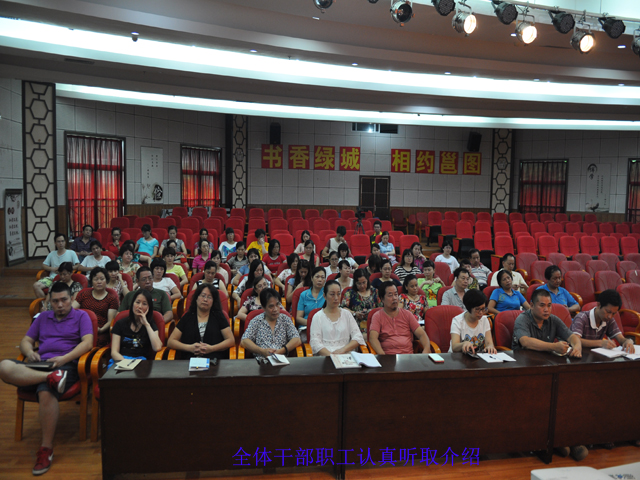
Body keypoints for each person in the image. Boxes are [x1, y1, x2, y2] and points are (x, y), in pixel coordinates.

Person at [0, 282, 93, 476]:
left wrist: (64, 359)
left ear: (72, 299)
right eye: (55, 301)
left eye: (64, 300)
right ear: (50, 301)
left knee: (45, 391)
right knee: (4, 366)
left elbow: (87, 343)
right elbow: (26, 341)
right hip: (41, 365)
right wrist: (29, 353)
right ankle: (50, 377)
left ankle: (46, 448)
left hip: (66, 365)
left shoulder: (81, 316)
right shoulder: (43, 317)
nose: (60, 305)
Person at [512, 288, 585, 461]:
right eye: (542, 305)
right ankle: (546, 442)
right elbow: (525, 342)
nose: (546, 309)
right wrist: (553, 346)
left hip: (549, 369)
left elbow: (572, 337)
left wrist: (577, 347)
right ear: (531, 305)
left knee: (567, 396)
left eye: (549, 305)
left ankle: (567, 439)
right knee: (543, 401)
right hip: (525, 372)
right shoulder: (522, 319)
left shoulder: (553, 320)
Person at [168, 284, 234, 360]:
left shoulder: (219, 316)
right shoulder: (187, 316)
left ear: (213, 301)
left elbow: (231, 340)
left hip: (214, 360)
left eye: (209, 297)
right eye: (203, 296)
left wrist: (212, 348)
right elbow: (171, 341)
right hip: (190, 360)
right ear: (196, 298)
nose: (205, 299)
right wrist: (189, 348)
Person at [369, 281, 431, 355]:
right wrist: (383, 356)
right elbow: (373, 338)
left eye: (396, 294)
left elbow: (422, 335)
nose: (394, 298)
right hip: (388, 357)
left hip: (408, 357)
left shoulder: (407, 314)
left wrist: (426, 351)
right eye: (390, 295)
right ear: (382, 299)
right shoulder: (377, 316)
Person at [240, 288, 301, 360]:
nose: (275, 309)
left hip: (282, 360)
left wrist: (280, 351)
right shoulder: (256, 321)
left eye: (277, 304)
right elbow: (244, 341)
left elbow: (297, 339)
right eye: (271, 306)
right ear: (263, 307)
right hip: (262, 361)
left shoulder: (285, 319)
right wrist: (262, 351)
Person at [109, 289, 162, 368]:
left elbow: (157, 347)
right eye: (137, 302)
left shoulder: (150, 325)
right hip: (121, 360)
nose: (140, 306)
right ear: (132, 304)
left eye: (144, 304)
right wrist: (127, 364)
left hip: (140, 362)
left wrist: (146, 324)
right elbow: (114, 352)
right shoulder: (120, 323)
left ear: (149, 308)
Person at [309, 280, 365, 355]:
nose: (336, 298)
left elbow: (358, 337)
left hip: (346, 355)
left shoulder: (347, 314)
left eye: (338, 294)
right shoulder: (318, 317)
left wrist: (344, 349)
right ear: (324, 296)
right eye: (332, 294)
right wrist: (332, 356)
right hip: (326, 356)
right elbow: (315, 343)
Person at [72, 267, 119, 348]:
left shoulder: (111, 298)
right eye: (96, 279)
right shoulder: (84, 294)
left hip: (100, 332)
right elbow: (71, 310)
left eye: (102, 279)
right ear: (91, 281)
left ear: (106, 280)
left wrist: (100, 330)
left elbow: (110, 321)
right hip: (81, 329)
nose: (99, 282)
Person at [449, 289, 497, 354]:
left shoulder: (484, 320)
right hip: (458, 357)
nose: (481, 312)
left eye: (483, 309)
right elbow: (454, 346)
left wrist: (490, 347)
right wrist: (463, 344)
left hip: (477, 357)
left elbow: (489, 343)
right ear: (468, 308)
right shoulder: (457, 321)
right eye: (477, 309)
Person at [33, 233, 80, 298]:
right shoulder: (52, 254)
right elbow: (43, 265)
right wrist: (53, 269)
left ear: (65, 242)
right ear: (55, 243)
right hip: (52, 278)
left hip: (66, 278)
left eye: (62, 241)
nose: (61, 243)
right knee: (36, 285)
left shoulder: (71, 253)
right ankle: (45, 303)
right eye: (58, 241)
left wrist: (65, 269)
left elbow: (78, 265)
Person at [341, 268, 381, 335]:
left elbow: (381, 308)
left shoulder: (375, 292)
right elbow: (343, 309)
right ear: (355, 283)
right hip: (356, 325)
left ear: (367, 280)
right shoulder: (350, 293)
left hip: (373, 324)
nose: (362, 286)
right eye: (359, 283)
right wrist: (354, 313)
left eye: (364, 282)